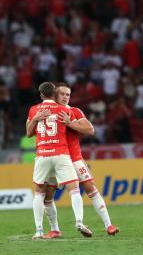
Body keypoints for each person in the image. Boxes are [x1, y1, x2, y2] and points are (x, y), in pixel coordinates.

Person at [43, 83, 120, 238]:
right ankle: (55, 229)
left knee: (90, 188)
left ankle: (109, 225)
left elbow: (90, 129)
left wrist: (70, 123)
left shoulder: (74, 111)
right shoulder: (48, 113)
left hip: (74, 158)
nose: (66, 97)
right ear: (55, 95)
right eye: (63, 94)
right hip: (54, 158)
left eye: (68, 94)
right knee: (48, 196)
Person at [26, 82, 92, 240]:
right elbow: (81, 128)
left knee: (40, 193)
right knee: (74, 189)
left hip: (42, 155)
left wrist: (35, 119)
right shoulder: (64, 110)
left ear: (41, 95)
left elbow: (28, 134)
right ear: (54, 94)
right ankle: (79, 221)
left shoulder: (34, 110)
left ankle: (39, 230)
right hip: (61, 154)